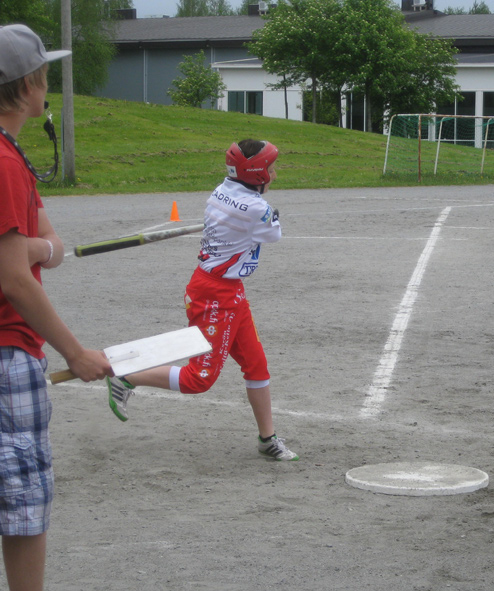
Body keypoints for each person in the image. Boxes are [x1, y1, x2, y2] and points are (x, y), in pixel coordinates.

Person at [0, 24, 113, 591]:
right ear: (27, 87)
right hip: (6, 353)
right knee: (23, 508)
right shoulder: (1, 161)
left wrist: (39, 247)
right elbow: (17, 280)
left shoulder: (12, 158)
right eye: (45, 74)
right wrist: (75, 352)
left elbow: (49, 243)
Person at [106, 139, 299, 461]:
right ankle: (126, 376)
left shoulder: (221, 190)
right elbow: (273, 235)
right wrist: (271, 215)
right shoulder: (256, 208)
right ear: (255, 174)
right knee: (199, 379)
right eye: (270, 168)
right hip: (215, 295)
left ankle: (268, 439)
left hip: (227, 289)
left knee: (256, 365)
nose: (274, 174)